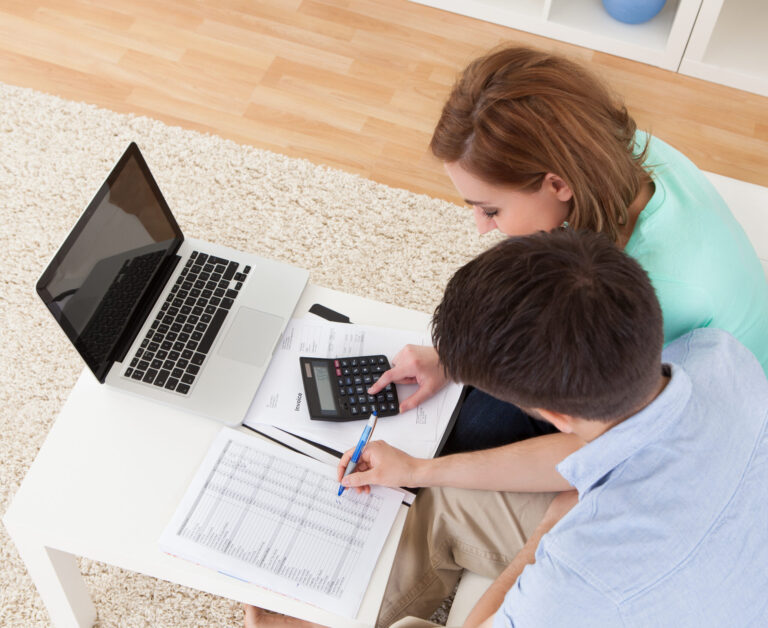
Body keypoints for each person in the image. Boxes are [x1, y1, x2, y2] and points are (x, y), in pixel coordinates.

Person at [340, 230, 767, 627]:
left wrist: (544, 537)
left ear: (554, 416)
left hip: (629, 590)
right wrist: (418, 470)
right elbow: (581, 449)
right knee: (446, 501)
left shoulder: (575, 575)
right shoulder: (716, 353)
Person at [367, 45, 768, 455]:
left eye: (490, 210)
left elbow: (603, 425)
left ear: (558, 184)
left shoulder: (656, 286)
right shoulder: (612, 148)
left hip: (717, 409)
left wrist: (456, 373)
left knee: (475, 429)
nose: (481, 227)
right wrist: (449, 361)